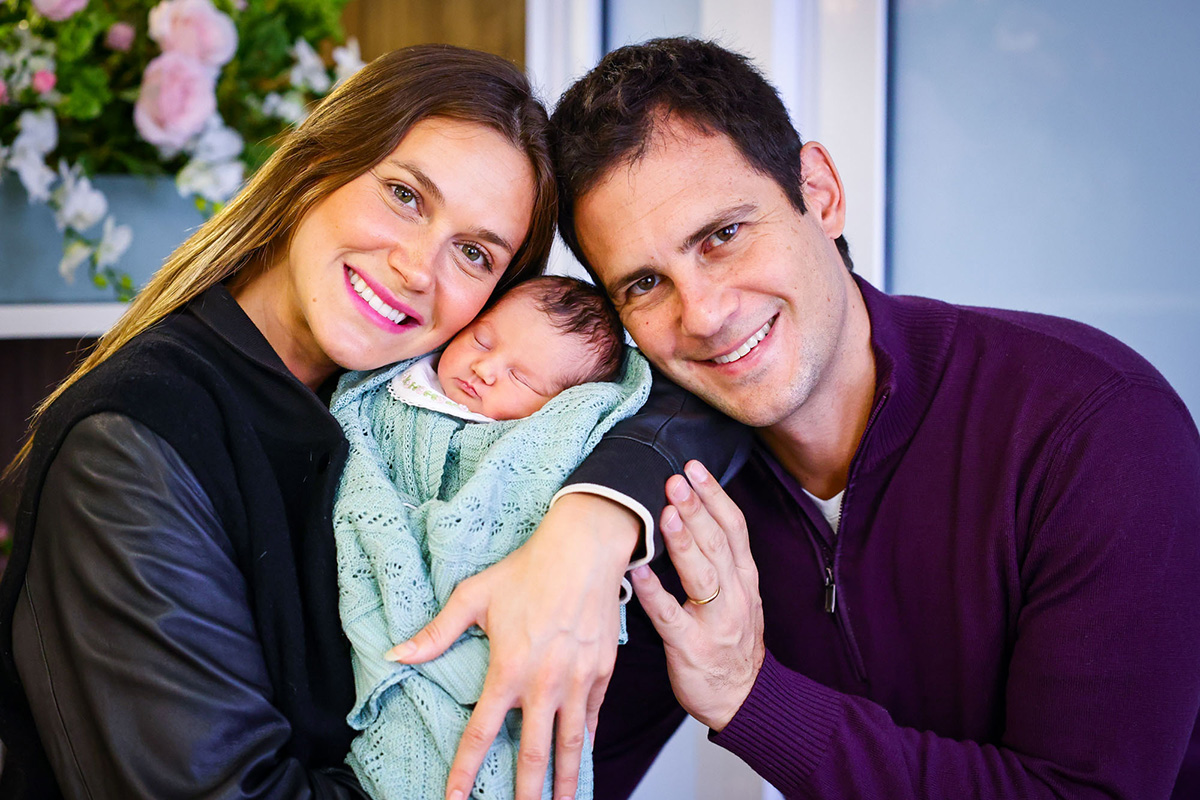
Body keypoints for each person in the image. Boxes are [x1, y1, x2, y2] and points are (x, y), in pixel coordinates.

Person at [0, 45, 738, 800]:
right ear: (315, 166)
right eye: (405, 195)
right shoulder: (133, 445)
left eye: (475, 253)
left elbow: (704, 392)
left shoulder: (408, 407)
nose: (420, 268)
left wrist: (590, 530)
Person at [546, 37, 1200, 799]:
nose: (705, 315)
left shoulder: (1094, 426)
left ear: (818, 192)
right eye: (646, 283)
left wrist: (750, 698)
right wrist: (551, 556)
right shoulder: (680, 491)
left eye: (723, 235)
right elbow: (556, 770)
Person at [332, 276, 650, 800]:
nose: (483, 369)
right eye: (482, 339)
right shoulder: (394, 383)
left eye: (521, 379)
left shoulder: (533, 443)